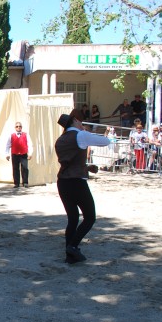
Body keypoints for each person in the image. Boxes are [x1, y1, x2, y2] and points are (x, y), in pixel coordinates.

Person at [54, 109, 113, 264]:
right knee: (90, 217)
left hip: (63, 182)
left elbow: (69, 162)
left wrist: (86, 167)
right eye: (79, 121)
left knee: (72, 219)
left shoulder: (60, 140)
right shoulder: (81, 135)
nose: (81, 123)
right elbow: (106, 142)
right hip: (77, 182)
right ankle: (73, 246)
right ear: (74, 121)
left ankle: (70, 255)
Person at [5, 121, 33, 187]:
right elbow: (8, 145)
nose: (18, 127)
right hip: (15, 154)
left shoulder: (26, 134)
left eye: (20, 126)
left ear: (21, 127)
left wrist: (30, 153)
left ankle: (25, 182)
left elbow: (30, 144)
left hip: (23, 154)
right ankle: (16, 183)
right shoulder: (11, 135)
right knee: (15, 169)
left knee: (25, 168)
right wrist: (7, 154)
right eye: (17, 126)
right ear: (15, 128)